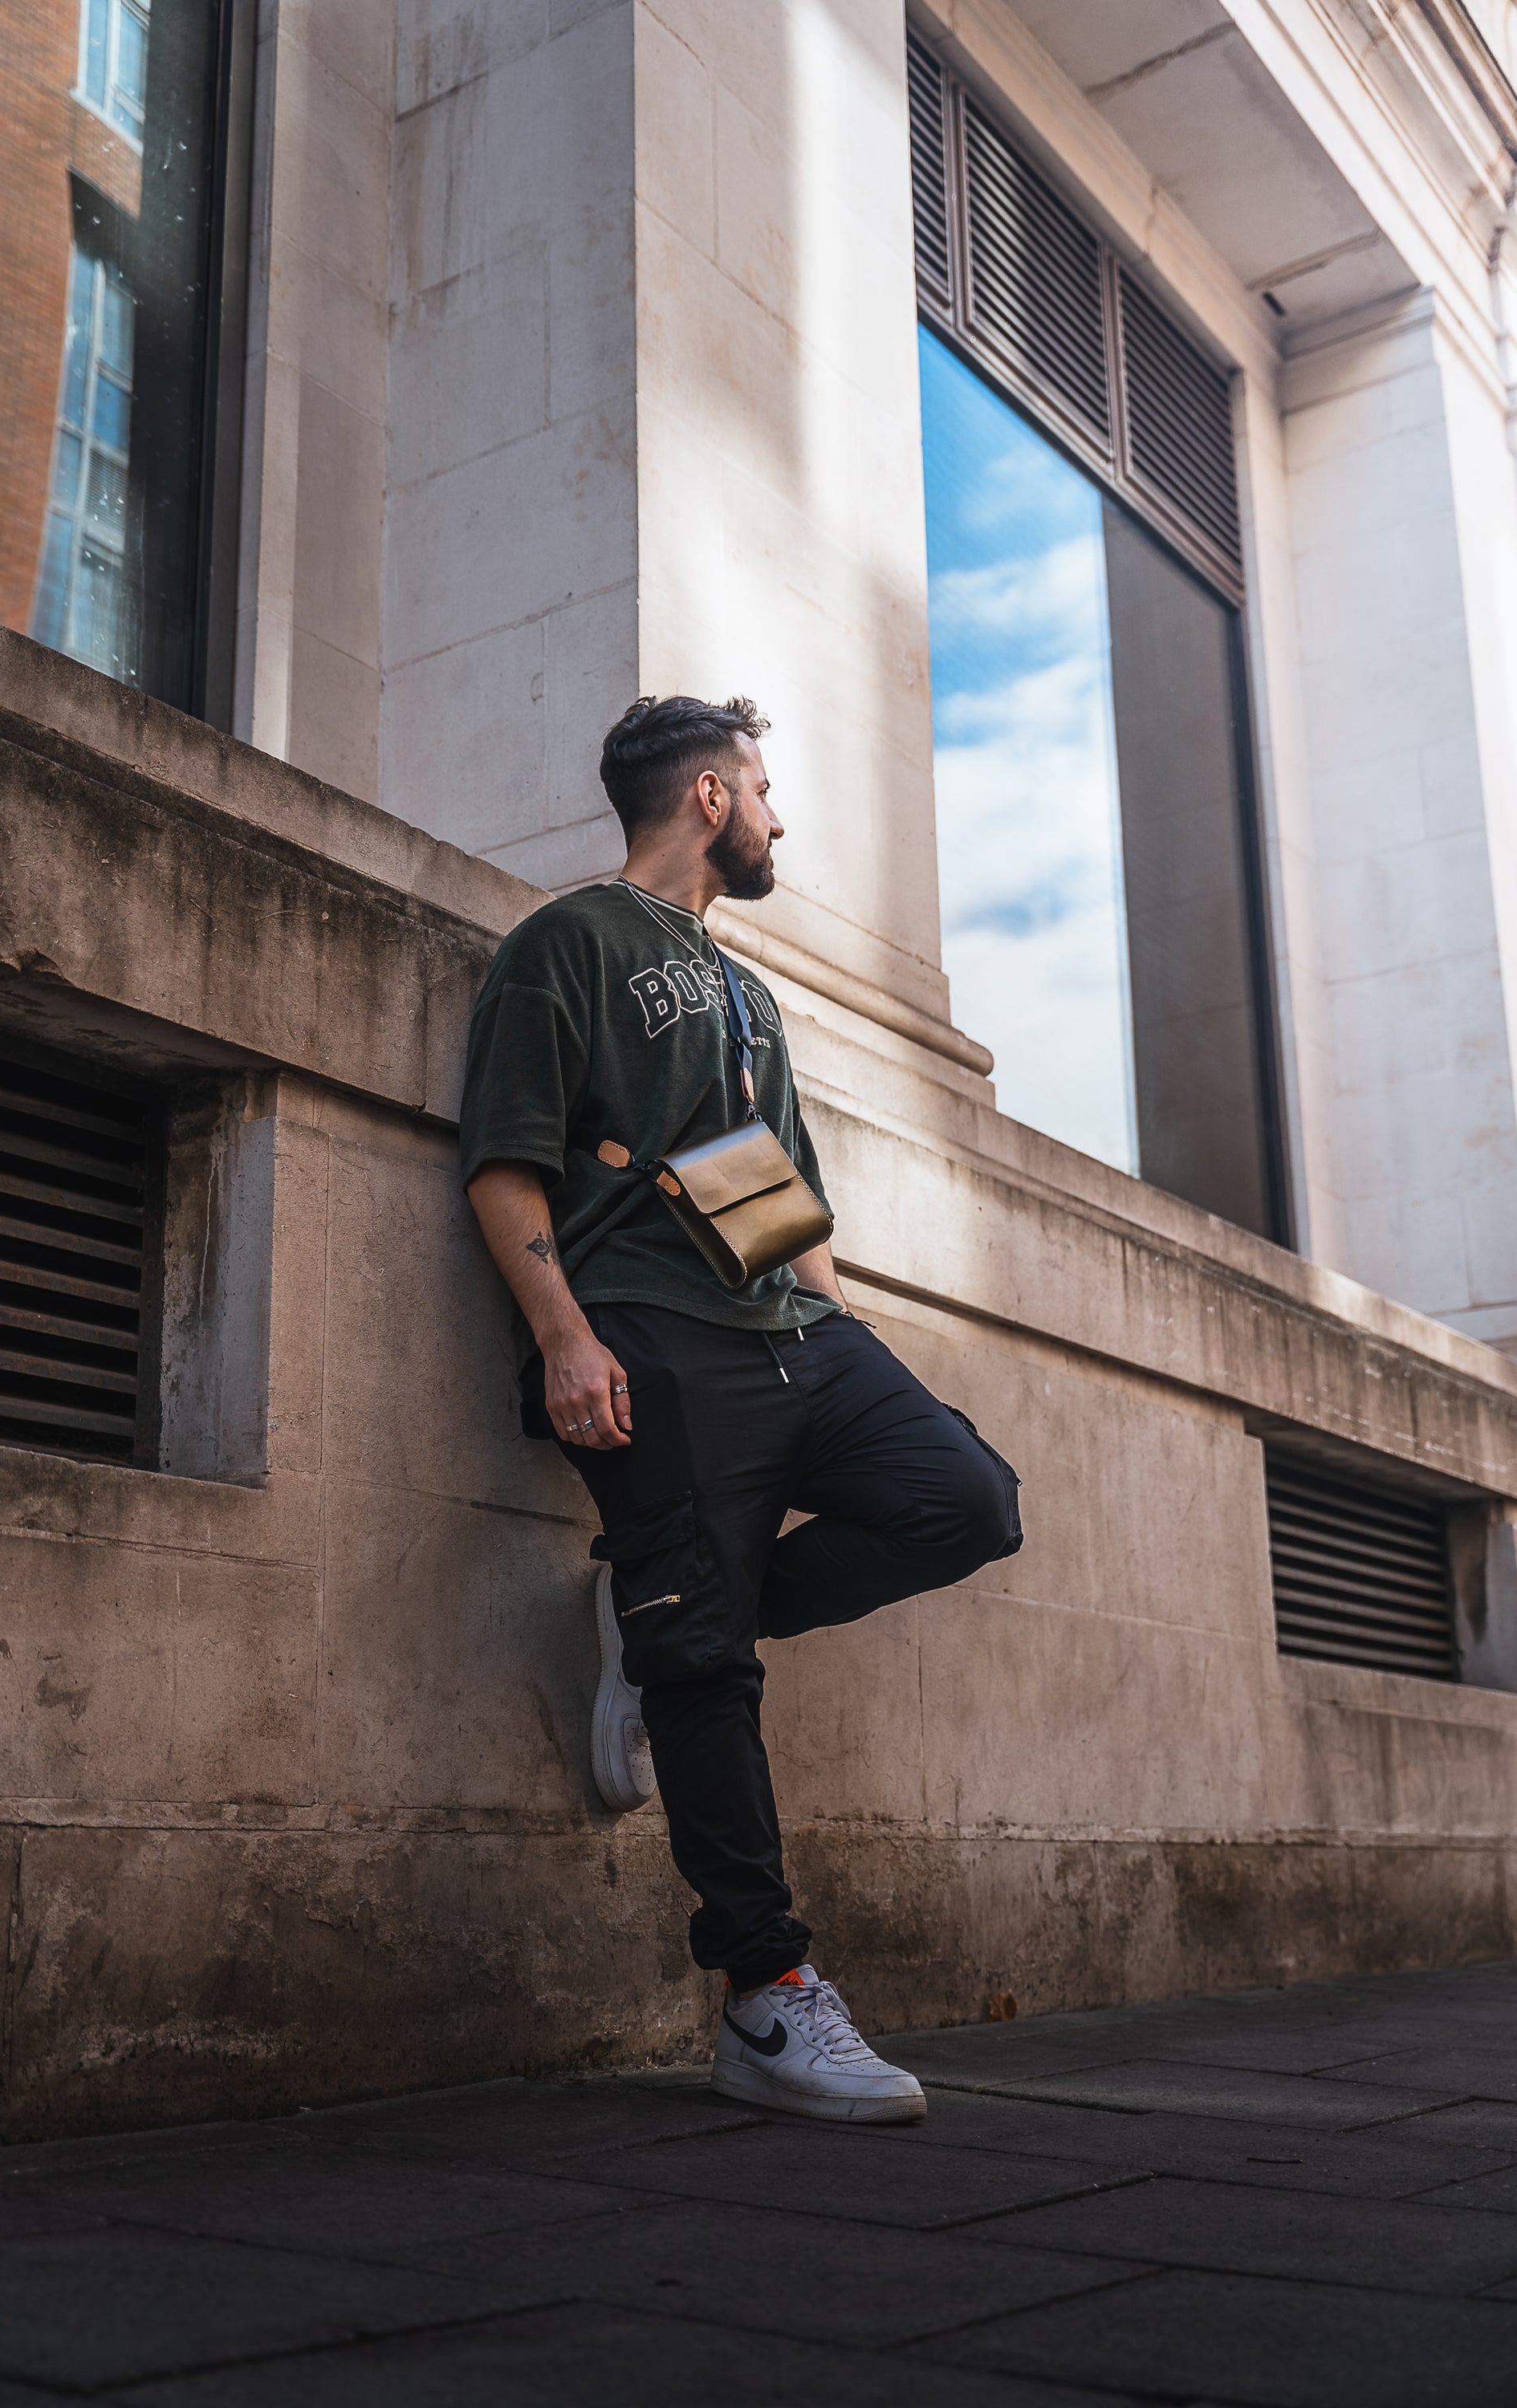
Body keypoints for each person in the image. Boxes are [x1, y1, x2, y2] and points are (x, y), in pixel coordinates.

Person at [462, 695, 1022, 2125]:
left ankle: (661, 1618)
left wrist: (850, 1334)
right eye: (763, 790)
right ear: (708, 797)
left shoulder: (748, 995)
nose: (781, 818)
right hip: (652, 1329)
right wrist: (566, 1338)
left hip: (794, 1326)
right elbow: (505, 1163)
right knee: (705, 1665)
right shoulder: (568, 943)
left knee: (967, 1500)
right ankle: (768, 1999)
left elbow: (778, 1197)